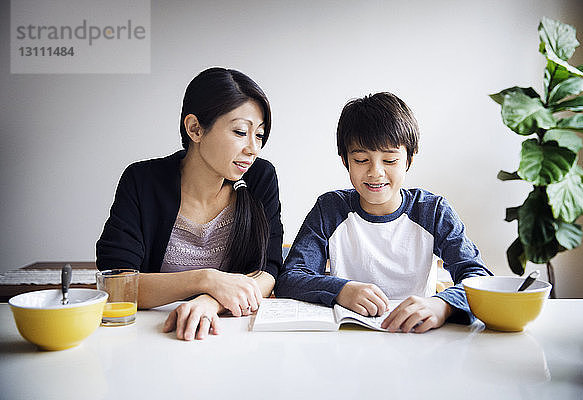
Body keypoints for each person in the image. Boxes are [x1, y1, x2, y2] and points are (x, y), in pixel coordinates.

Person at [274, 92, 491, 333]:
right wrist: (341, 290)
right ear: (345, 160)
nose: (375, 172)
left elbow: (478, 276)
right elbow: (290, 278)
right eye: (361, 160)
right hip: (347, 341)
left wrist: (442, 305)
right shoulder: (330, 209)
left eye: (389, 160)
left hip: (418, 337)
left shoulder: (432, 211)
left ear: (408, 159)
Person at [96, 67, 283, 340]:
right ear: (195, 128)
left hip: (230, 334)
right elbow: (116, 285)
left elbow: (268, 270)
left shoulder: (261, 178)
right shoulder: (142, 180)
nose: (253, 148)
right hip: (149, 335)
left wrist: (211, 301)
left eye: (259, 135)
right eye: (241, 132)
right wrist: (205, 279)